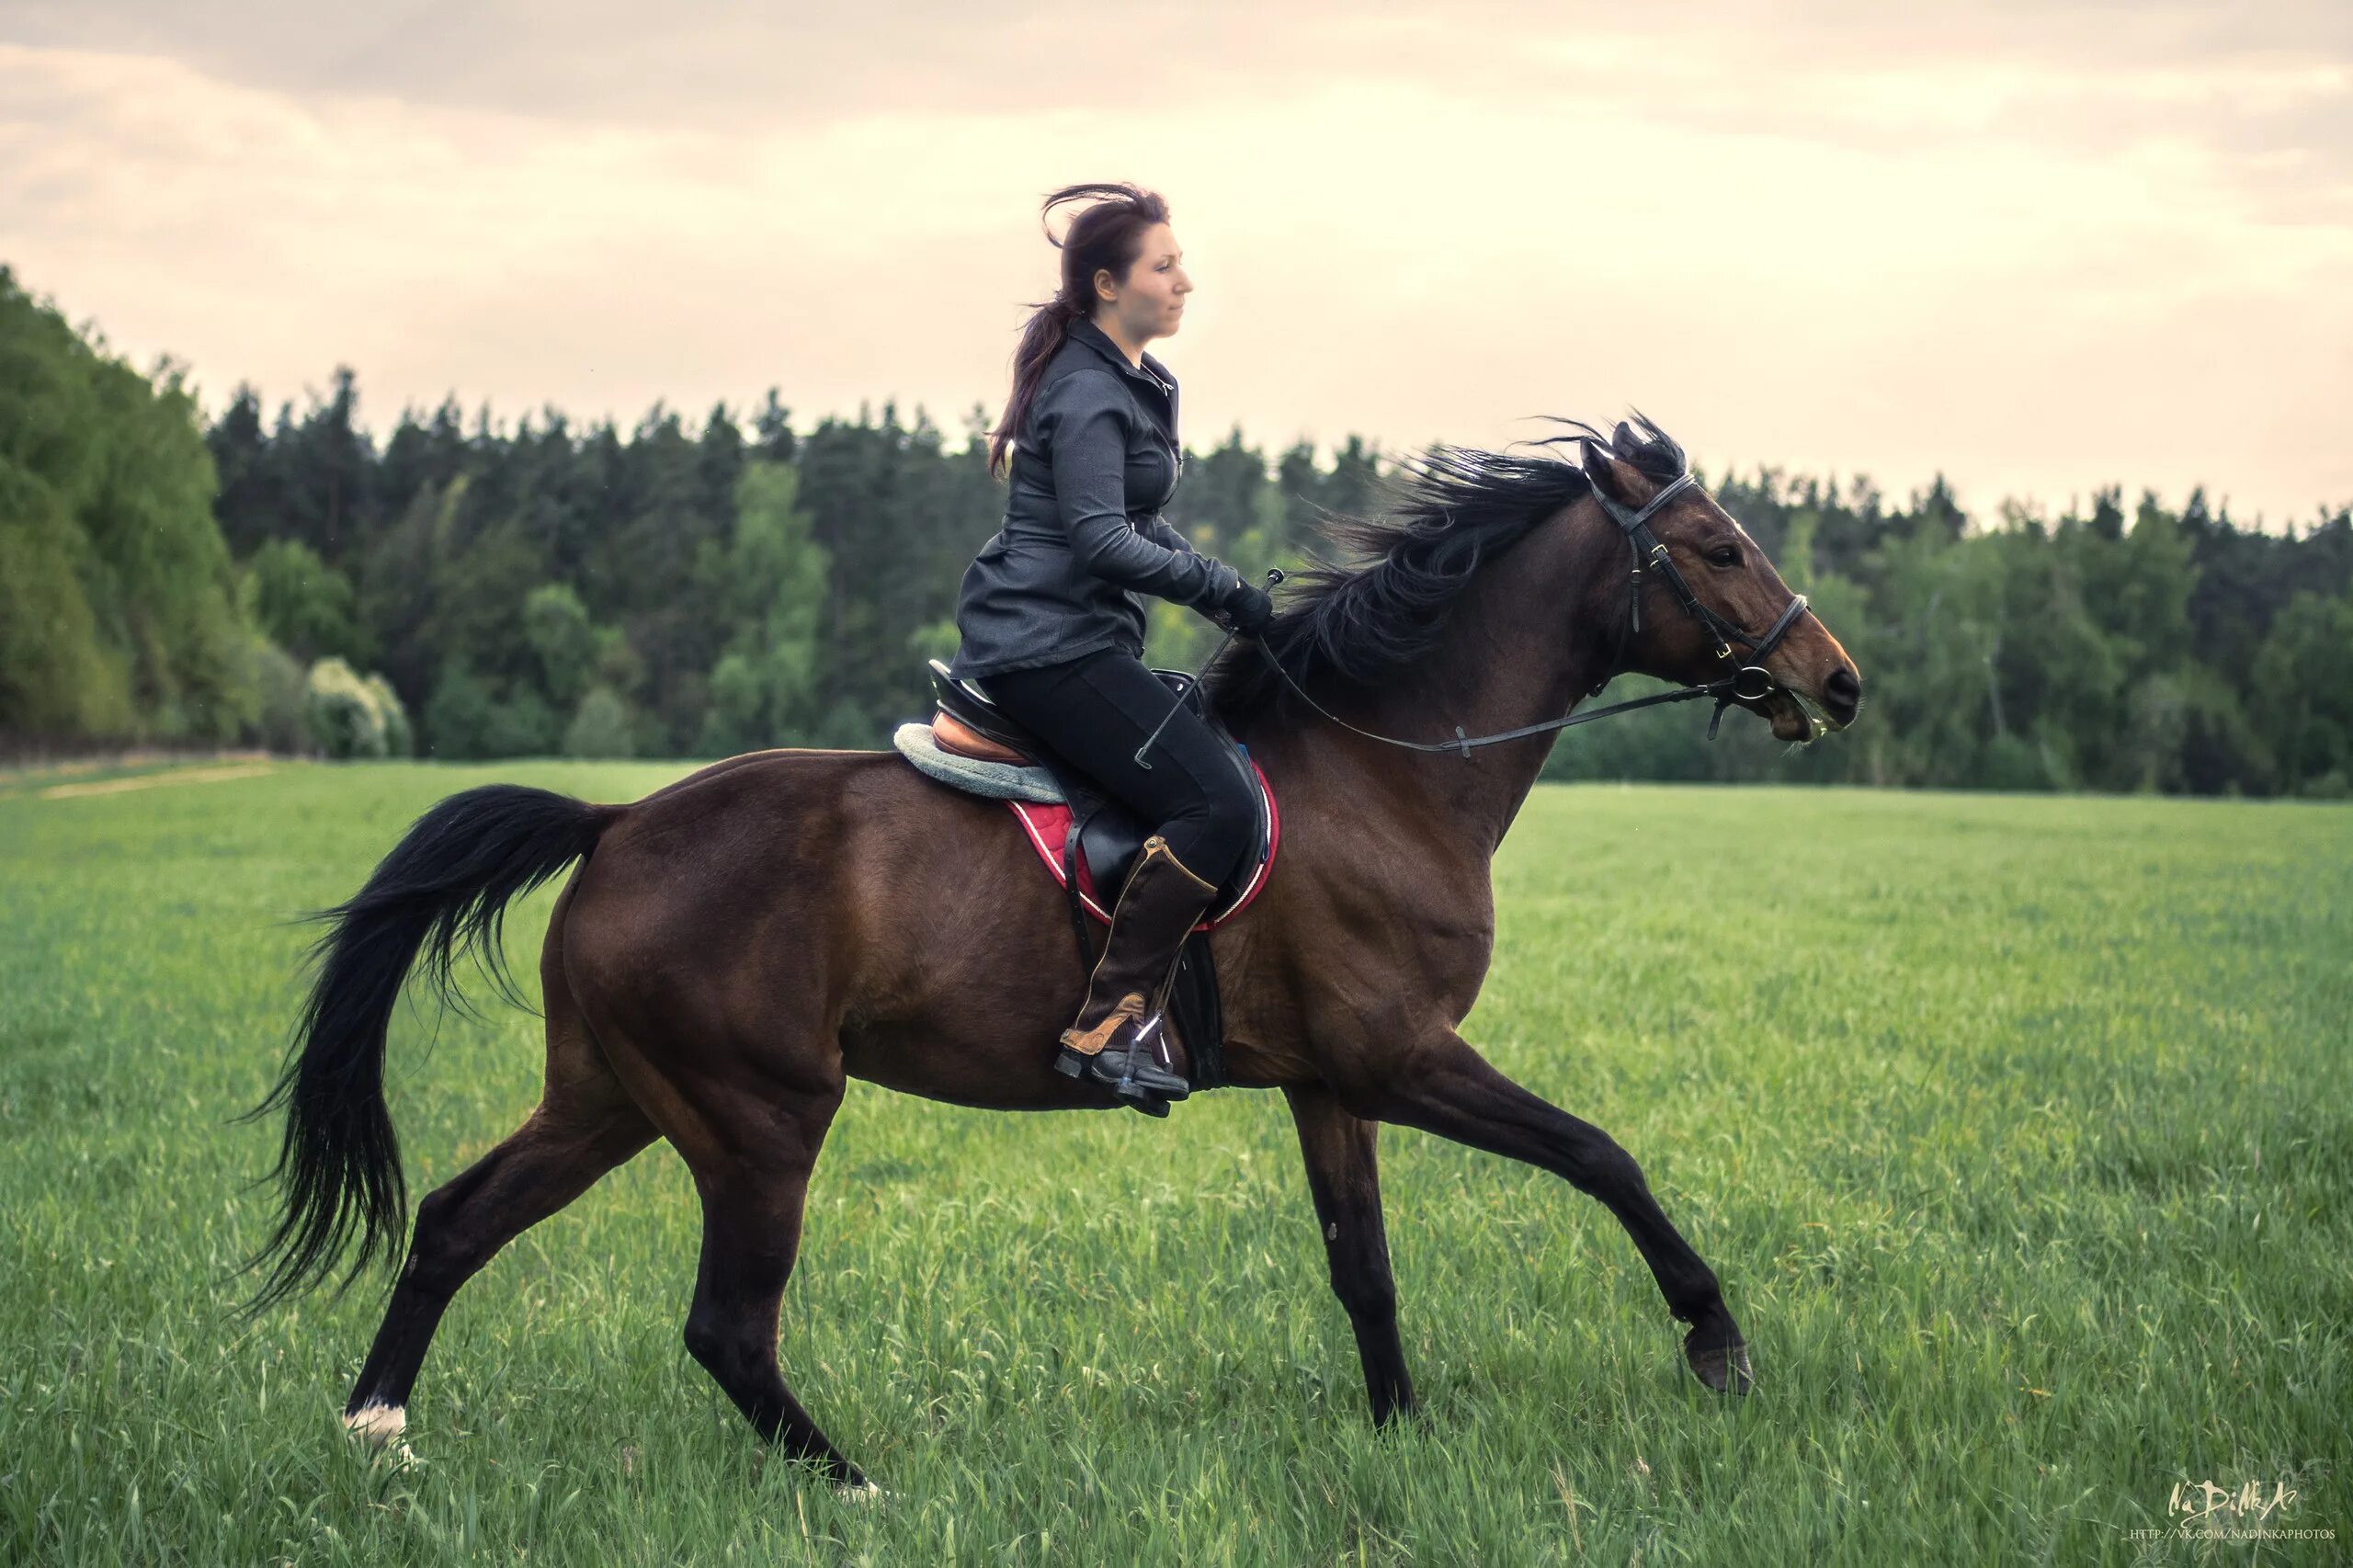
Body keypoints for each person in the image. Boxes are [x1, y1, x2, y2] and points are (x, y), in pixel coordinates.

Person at [947, 181, 1273, 1116]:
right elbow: (1100, 538)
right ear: (1105, 284)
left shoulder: (1137, 380)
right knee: (1213, 801)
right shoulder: (1089, 389)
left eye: (1180, 266)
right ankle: (1113, 1016)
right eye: (1164, 267)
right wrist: (1217, 588)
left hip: (1079, 636)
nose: (1185, 283)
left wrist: (1235, 598)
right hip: (1047, 645)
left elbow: (1134, 524)